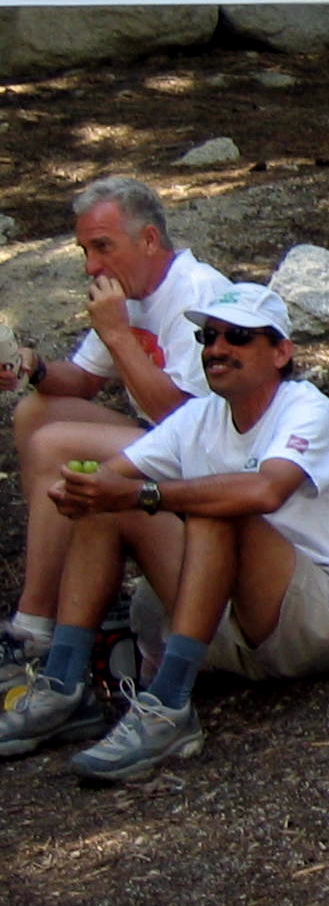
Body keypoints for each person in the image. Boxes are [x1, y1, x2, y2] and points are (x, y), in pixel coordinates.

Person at [0, 284, 329, 784]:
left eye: (238, 337)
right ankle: (63, 684)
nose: (217, 349)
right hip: (230, 626)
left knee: (217, 507)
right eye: (208, 337)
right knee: (106, 498)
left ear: (280, 352)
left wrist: (147, 495)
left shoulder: (305, 410)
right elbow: (116, 477)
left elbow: (266, 491)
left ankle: (168, 707)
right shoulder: (200, 417)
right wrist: (81, 490)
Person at [0, 177, 232, 680]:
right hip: (162, 444)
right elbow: (81, 380)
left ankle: (33, 624)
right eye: (85, 250)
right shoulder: (129, 297)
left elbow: (185, 421)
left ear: (149, 239)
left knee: (55, 442)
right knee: (36, 413)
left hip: (206, 460)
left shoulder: (197, 292)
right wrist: (33, 367)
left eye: (103, 247)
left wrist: (118, 333)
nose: (92, 266)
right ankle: (67, 596)